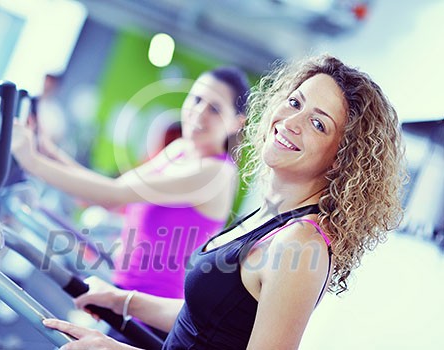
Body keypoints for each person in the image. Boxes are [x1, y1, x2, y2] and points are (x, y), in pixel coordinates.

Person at [41, 54, 406, 349]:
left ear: (342, 159)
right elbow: (205, 321)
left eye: (318, 124)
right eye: (294, 102)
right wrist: (122, 301)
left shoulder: (300, 243)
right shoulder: (272, 218)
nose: (291, 121)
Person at [11, 67, 251, 341]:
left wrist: (31, 160)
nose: (199, 113)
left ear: (236, 123)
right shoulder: (179, 151)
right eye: (196, 99)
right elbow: (112, 198)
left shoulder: (215, 173)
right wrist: (45, 150)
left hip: (148, 317)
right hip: (120, 296)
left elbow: (113, 194)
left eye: (215, 109)